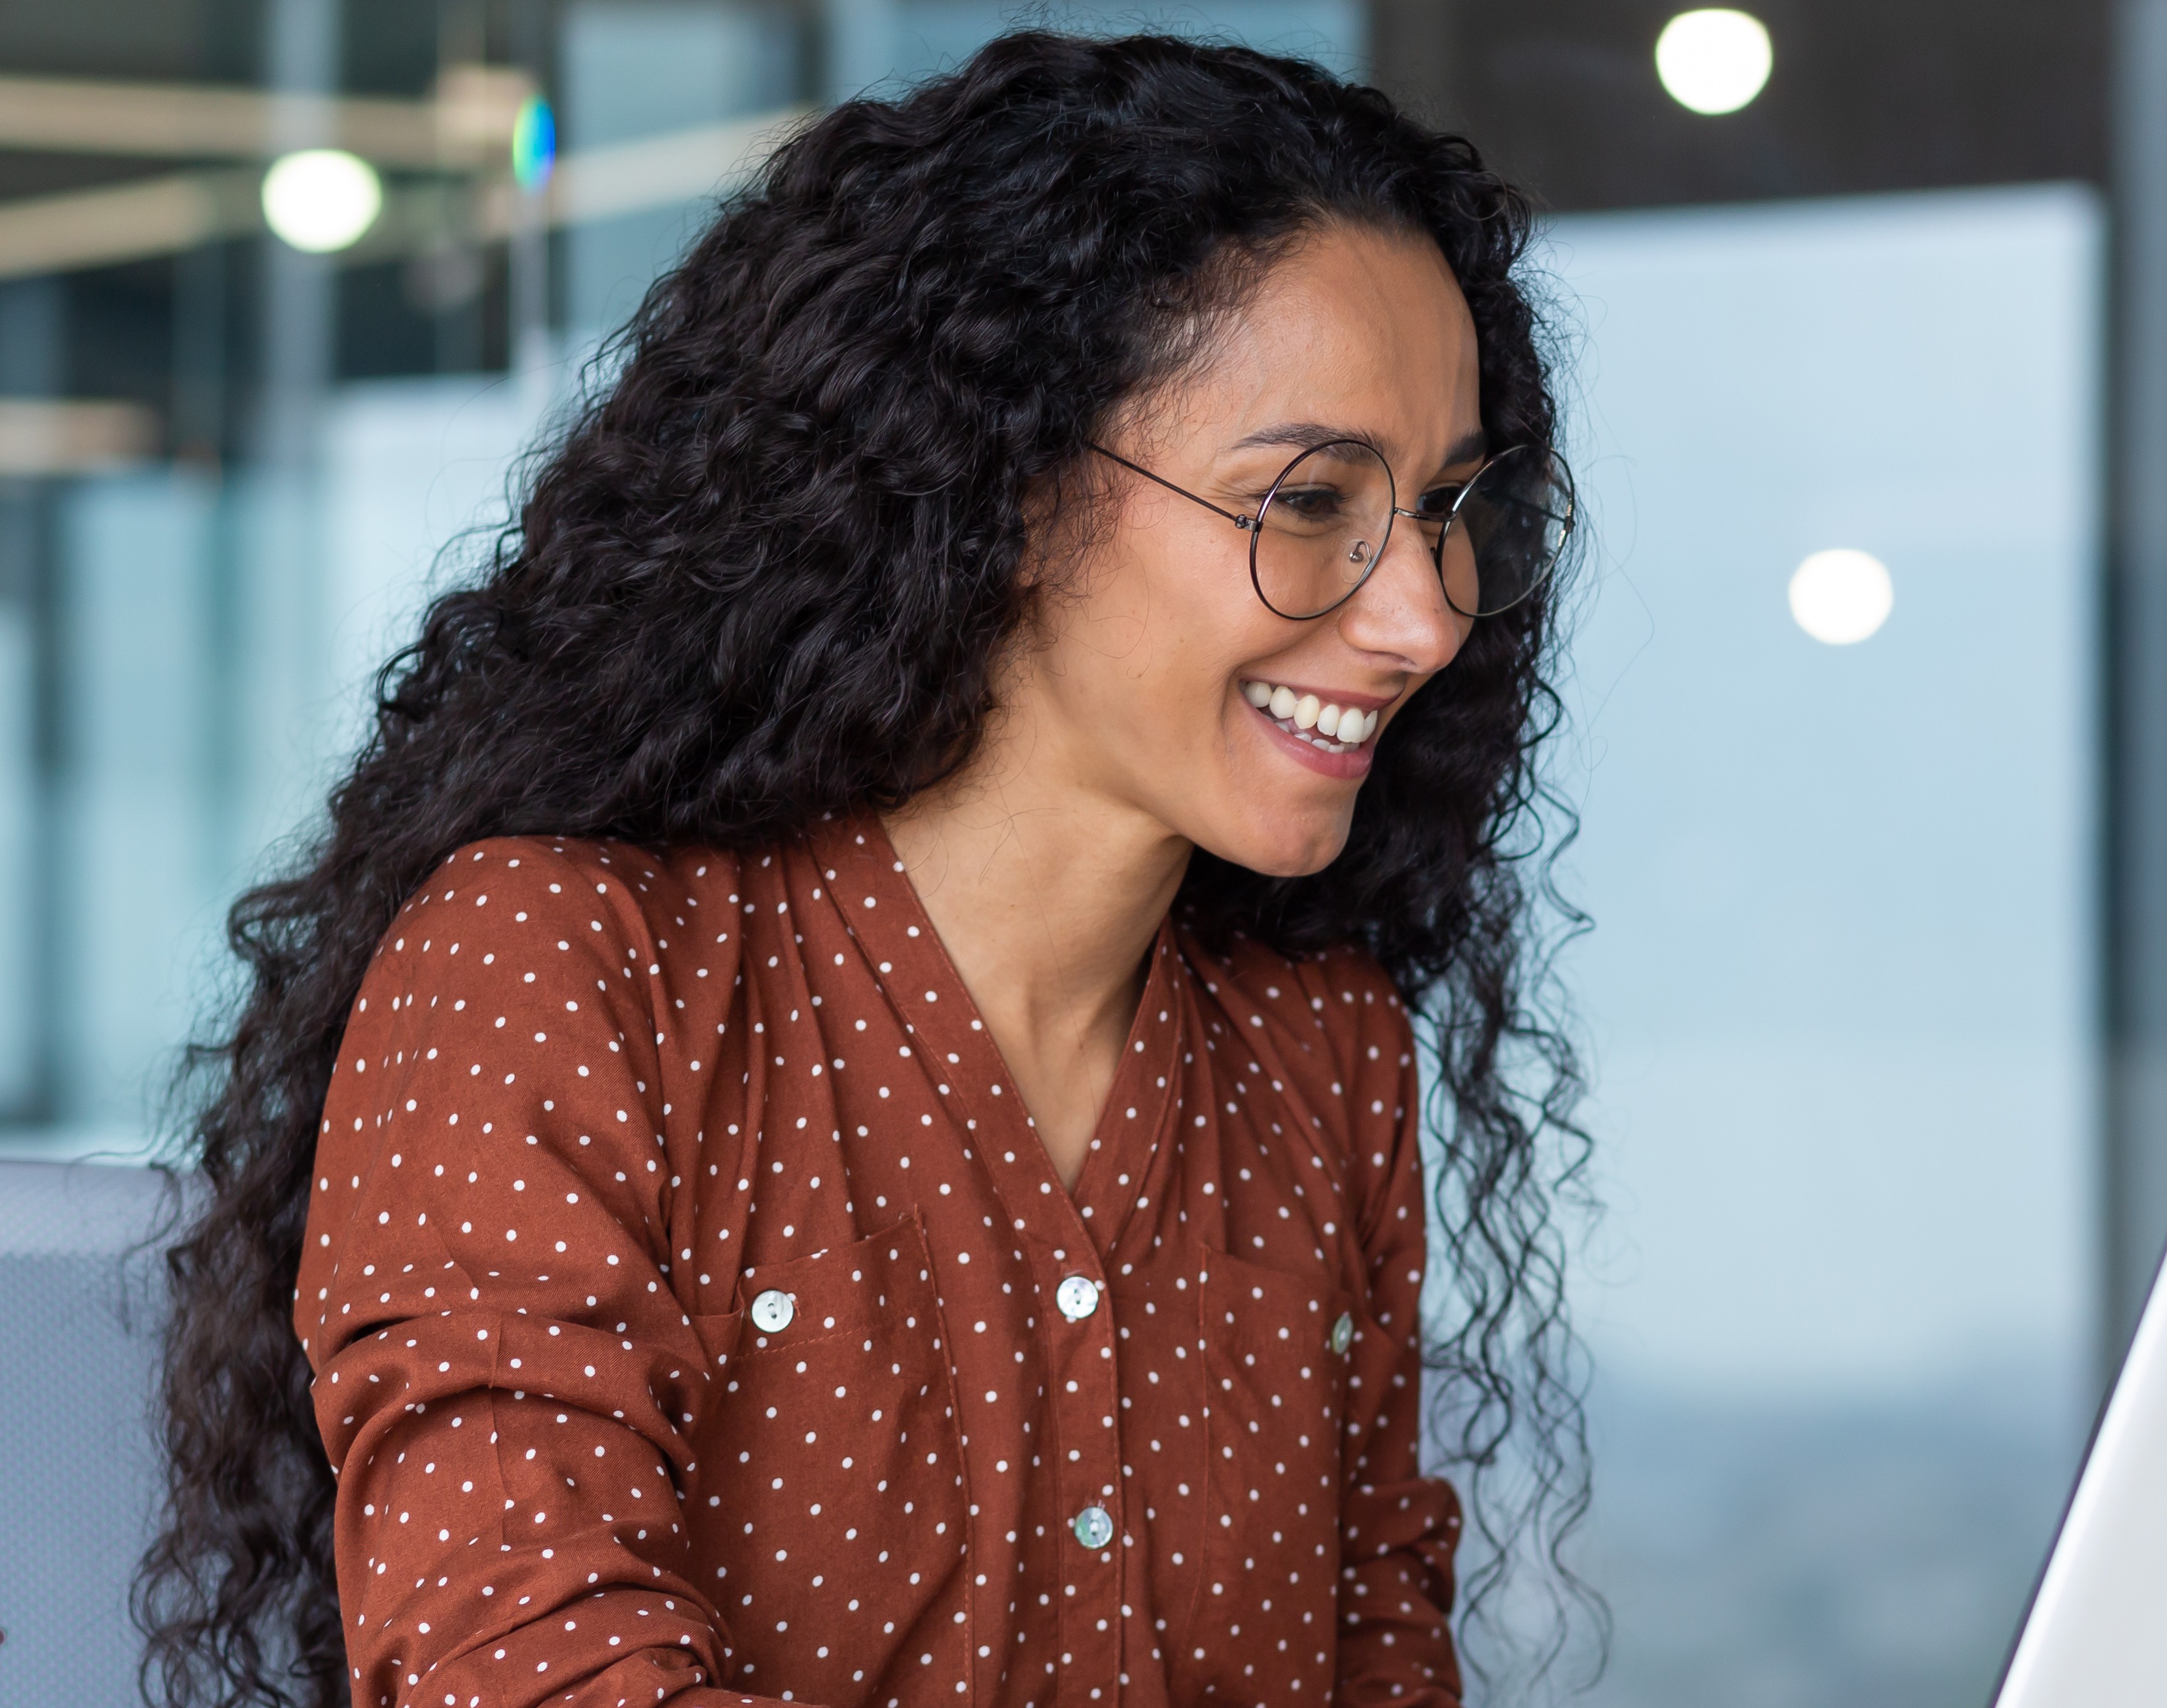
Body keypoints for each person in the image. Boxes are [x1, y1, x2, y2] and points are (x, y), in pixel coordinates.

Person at [137, 33, 1595, 1708]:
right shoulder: (559, 970)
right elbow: (529, 1677)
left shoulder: (1319, 1056)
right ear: (1017, 484)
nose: (1419, 615)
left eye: (1444, 510)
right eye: (1312, 499)